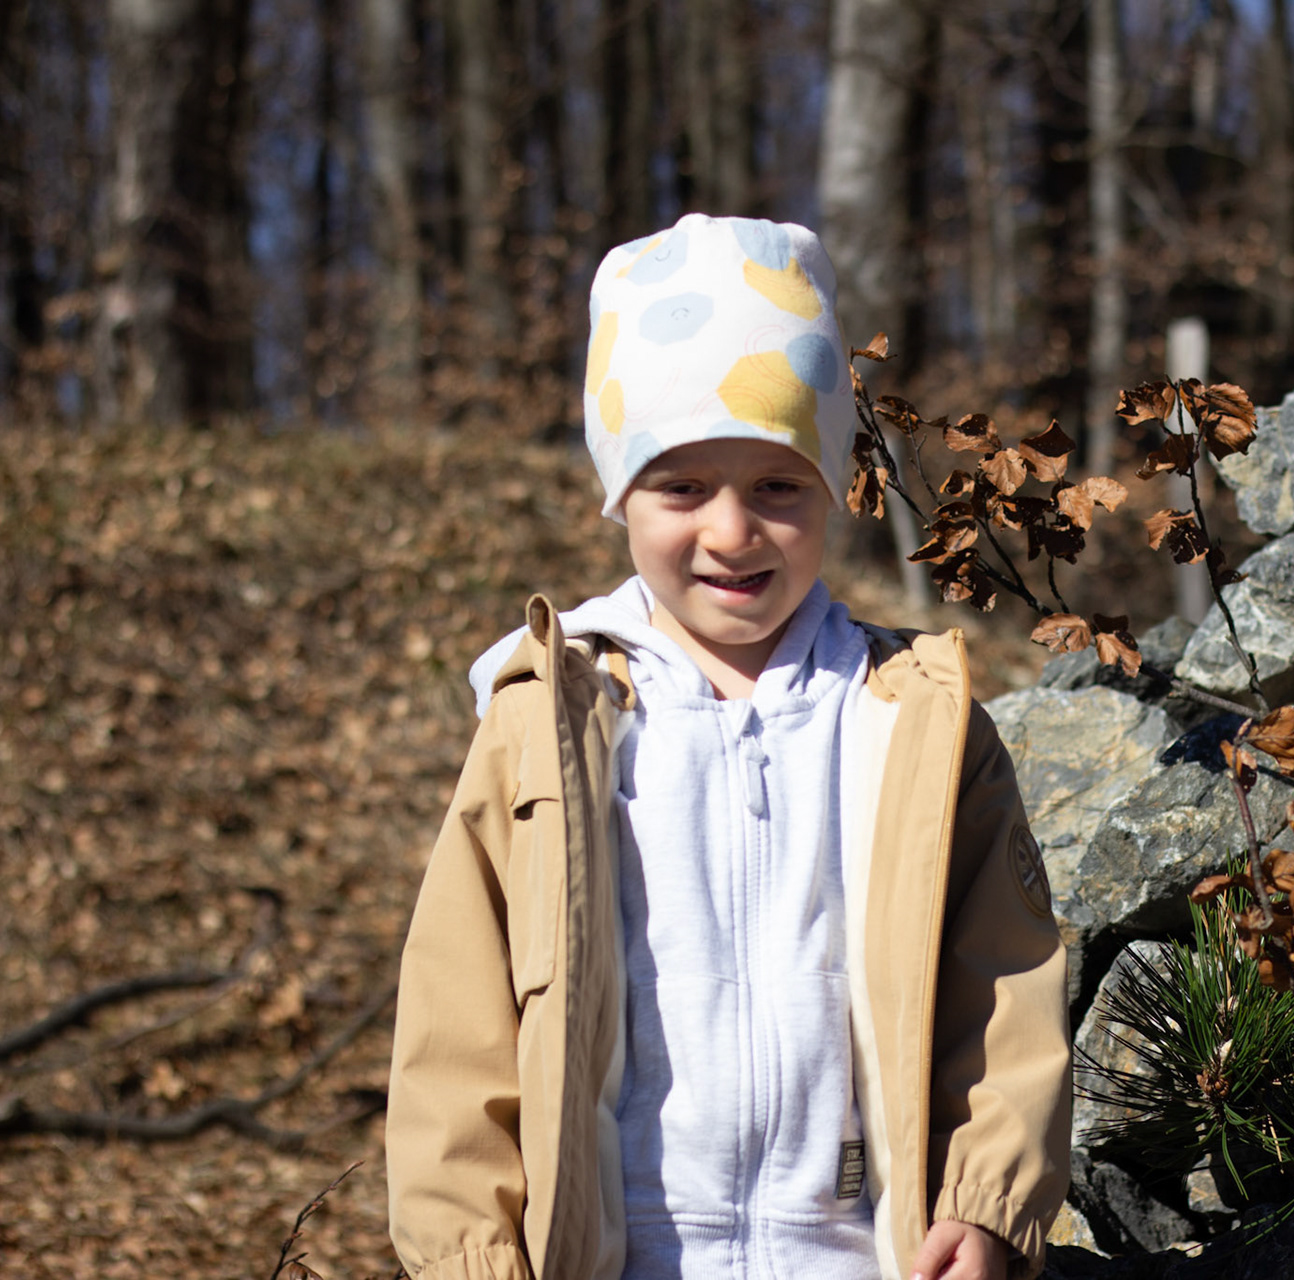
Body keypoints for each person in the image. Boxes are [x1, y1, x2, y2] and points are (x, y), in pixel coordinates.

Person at [384, 214, 1072, 1280]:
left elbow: (1006, 987)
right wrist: (470, 1255)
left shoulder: (911, 719)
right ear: (620, 493)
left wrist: (985, 1204)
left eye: (777, 486)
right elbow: (455, 1020)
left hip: (862, 1258)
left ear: (832, 486)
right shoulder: (547, 724)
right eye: (682, 487)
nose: (732, 530)